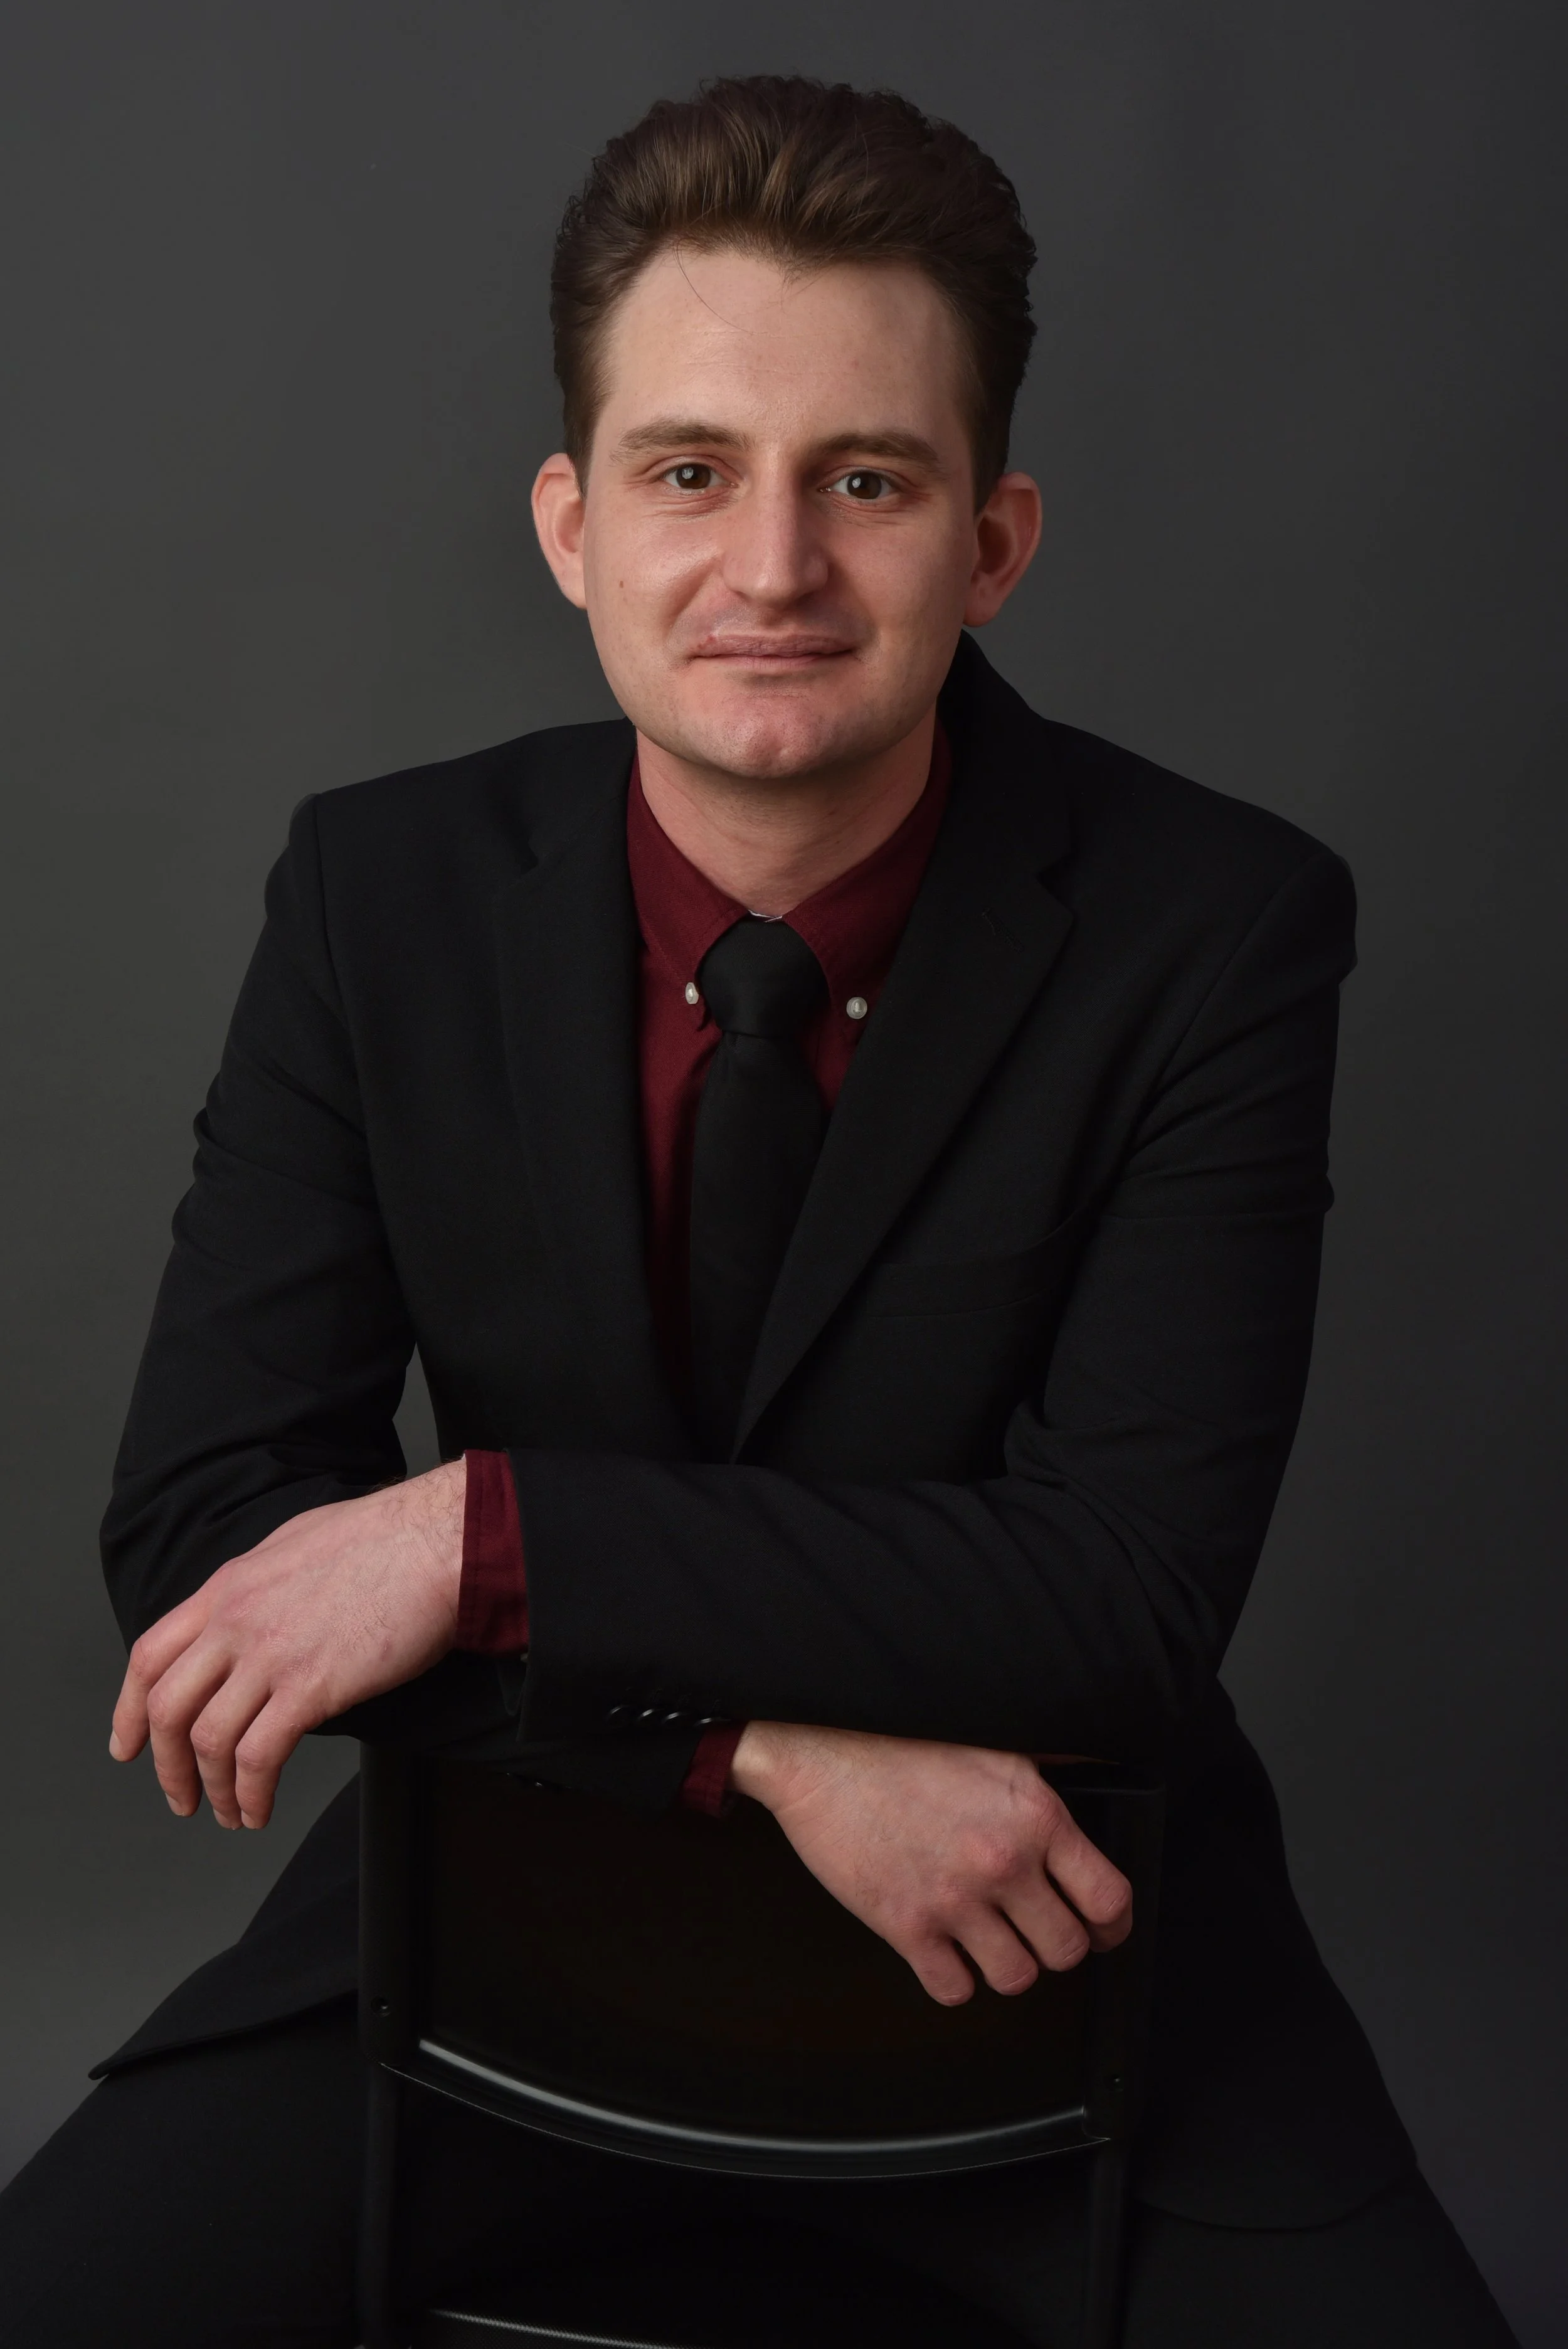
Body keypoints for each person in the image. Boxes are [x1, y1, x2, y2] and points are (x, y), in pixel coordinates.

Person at [0, 75, 1517, 2349]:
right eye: (689, 472)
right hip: (488, 1910)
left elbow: (1116, 1599)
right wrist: (762, 1751)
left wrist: (476, 1536)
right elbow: (210, 1537)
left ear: (990, 542)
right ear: (569, 524)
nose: (774, 568)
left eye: (867, 482)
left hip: (1064, 1924)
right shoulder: (374, 893)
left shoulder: (1217, 926)